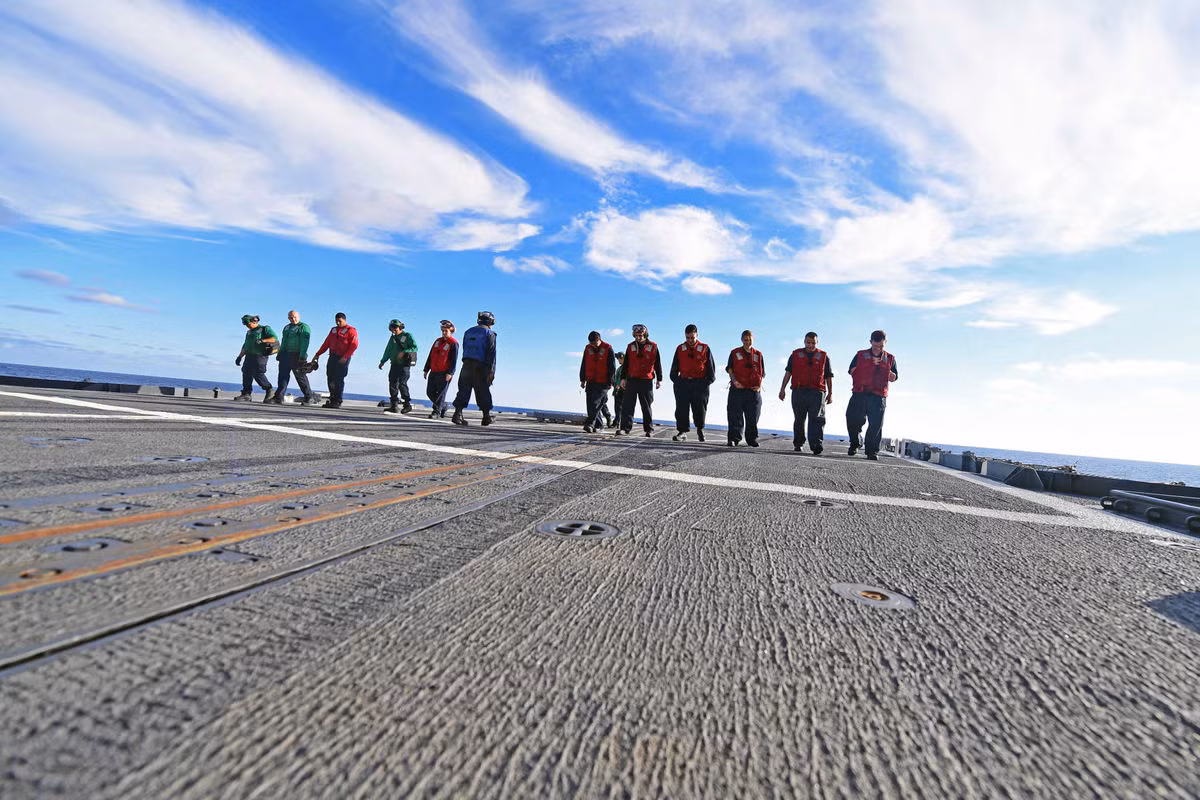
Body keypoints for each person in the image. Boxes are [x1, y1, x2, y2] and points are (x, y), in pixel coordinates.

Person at [846, 329, 897, 460]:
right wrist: (868, 365)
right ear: (870, 342)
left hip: (878, 396)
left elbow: (894, 377)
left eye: (881, 346)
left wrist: (889, 373)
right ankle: (855, 443)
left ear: (885, 342)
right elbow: (851, 370)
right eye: (875, 346)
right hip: (860, 393)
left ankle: (872, 451)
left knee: (876, 424)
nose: (878, 348)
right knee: (853, 419)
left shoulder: (890, 358)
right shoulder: (860, 355)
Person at [779, 332, 834, 454]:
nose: (810, 345)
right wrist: (782, 389)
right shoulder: (795, 355)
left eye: (813, 343)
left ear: (817, 343)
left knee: (817, 419)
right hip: (799, 391)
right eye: (808, 342)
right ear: (804, 342)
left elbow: (828, 376)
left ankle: (816, 445)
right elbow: (788, 372)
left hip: (817, 393)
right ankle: (798, 443)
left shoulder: (824, 356)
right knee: (799, 419)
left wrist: (830, 393)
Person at [669, 323, 716, 442]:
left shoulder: (705, 348)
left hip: (700, 384)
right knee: (681, 409)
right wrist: (677, 381)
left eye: (692, 337)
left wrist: (706, 383)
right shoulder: (680, 348)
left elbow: (711, 369)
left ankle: (700, 429)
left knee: (700, 409)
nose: (690, 340)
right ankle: (682, 432)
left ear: (697, 335)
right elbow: (674, 368)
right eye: (687, 337)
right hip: (683, 383)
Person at [451, 311, 497, 426]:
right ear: (490, 322)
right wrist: (491, 371)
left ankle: (457, 414)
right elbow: (491, 354)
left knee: (463, 389)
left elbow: (465, 347)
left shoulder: (468, 331)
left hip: (466, 364)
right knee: (483, 391)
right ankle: (486, 416)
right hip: (481, 366)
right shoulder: (490, 333)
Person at [618, 324, 662, 437]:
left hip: (646, 380)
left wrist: (659, 379)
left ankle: (649, 429)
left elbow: (657, 363)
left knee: (646, 406)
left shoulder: (653, 346)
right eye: (636, 335)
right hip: (632, 379)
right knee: (628, 405)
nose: (638, 337)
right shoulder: (630, 346)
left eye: (641, 335)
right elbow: (626, 364)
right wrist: (622, 378)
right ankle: (625, 428)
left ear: (645, 334)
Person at [726, 329, 765, 447]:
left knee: (753, 416)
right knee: (735, 415)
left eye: (750, 340)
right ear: (742, 340)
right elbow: (730, 369)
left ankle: (752, 439)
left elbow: (762, 373)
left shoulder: (758, 354)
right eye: (745, 340)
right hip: (737, 389)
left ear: (753, 339)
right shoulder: (734, 353)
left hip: (753, 391)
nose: (747, 342)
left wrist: (759, 386)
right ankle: (734, 438)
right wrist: (735, 381)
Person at [312, 312, 358, 409]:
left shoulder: (351, 330)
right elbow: (326, 343)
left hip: (343, 358)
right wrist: (317, 354)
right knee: (330, 377)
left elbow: (354, 345)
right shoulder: (333, 330)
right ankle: (332, 400)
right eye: (336, 321)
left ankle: (338, 400)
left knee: (339, 379)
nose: (337, 323)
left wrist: (345, 357)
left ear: (345, 320)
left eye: (340, 321)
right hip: (333, 356)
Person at [579, 331, 616, 433]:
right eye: (591, 343)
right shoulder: (588, 348)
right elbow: (584, 363)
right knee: (590, 404)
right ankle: (599, 426)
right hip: (590, 380)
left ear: (599, 339)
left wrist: (611, 382)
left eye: (595, 343)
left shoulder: (608, 348)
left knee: (596, 403)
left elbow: (612, 366)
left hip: (603, 382)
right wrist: (582, 379)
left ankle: (589, 424)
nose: (593, 345)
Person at [378, 319, 418, 414]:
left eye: (395, 328)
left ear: (400, 327)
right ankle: (394, 406)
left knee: (402, 383)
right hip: (394, 364)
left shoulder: (407, 336)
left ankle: (407, 404)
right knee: (392, 384)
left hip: (404, 364)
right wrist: (383, 361)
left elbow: (415, 347)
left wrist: (404, 352)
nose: (393, 330)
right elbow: (388, 350)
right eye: (392, 328)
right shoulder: (393, 338)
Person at [275, 310, 315, 405]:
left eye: (295, 317)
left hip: (297, 355)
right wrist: (279, 353)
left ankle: (309, 397)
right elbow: (283, 341)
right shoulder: (287, 327)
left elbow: (305, 343)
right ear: (288, 318)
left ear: (299, 316)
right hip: (285, 354)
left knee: (300, 377)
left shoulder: (303, 327)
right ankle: (278, 397)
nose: (293, 319)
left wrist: (302, 356)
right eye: (291, 317)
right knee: (282, 376)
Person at [234, 314, 277, 402]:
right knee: (246, 372)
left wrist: (263, 340)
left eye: (248, 324)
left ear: (254, 321)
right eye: (245, 324)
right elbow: (245, 345)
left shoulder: (264, 329)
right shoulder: (249, 332)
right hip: (249, 355)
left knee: (258, 373)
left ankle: (269, 390)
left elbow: (274, 339)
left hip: (260, 355)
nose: (247, 326)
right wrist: (240, 356)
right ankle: (246, 394)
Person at [422, 320, 458, 418]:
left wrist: (450, 373)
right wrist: (426, 369)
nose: (444, 333)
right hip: (434, 371)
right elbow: (431, 355)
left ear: (451, 331)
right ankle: (444, 406)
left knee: (441, 394)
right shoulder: (437, 341)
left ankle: (436, 412)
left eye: (446, 331)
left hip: (444, 373)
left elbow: (454, 360)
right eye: (443, 331)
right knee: (429, 392)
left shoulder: (453, 343)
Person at [611, 352, 626, 430]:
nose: (618, 360)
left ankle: (617, 422)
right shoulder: (619, 368)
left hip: (622, 390)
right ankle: (617, 421)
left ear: (622, 358)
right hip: (617, 390)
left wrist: (619, 386)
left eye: (619, 358)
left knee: (620, 408)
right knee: (617, 407)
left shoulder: (625, 369)